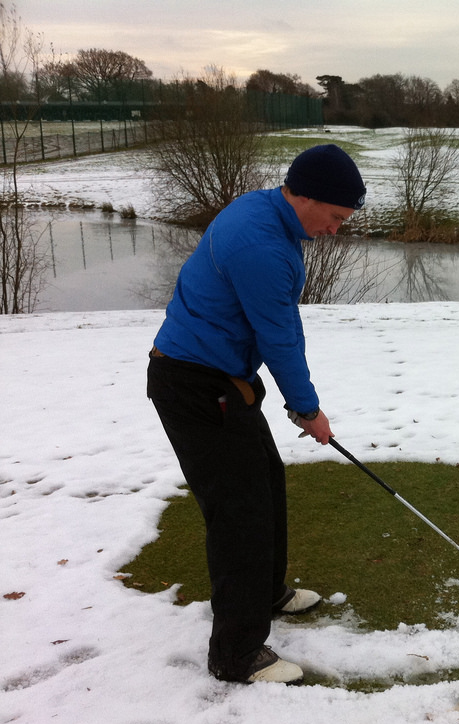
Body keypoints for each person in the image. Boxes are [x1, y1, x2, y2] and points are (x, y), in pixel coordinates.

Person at [147, 144, 366, 685]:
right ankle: (236, 654)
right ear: (306, 196)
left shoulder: (265, 211)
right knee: (239, 517)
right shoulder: (260, 246)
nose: (337, 230)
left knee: (265, 483)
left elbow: (280, 328)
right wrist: (307, 408)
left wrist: (300, 403)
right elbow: (279, 338)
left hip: (221, 381)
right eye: (336, 217)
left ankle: (268, 593)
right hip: (196, 386)